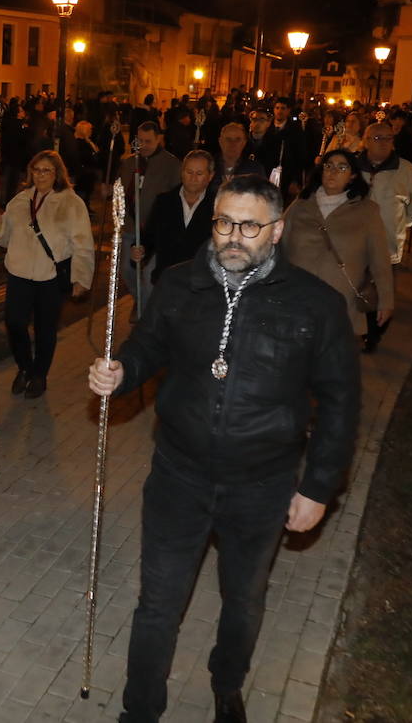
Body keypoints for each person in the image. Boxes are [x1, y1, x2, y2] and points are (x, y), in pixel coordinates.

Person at [88, 174, 359, 723]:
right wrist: (122, 369)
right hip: (178, 475)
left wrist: (317, 487)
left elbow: (340, 403)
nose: (234, 237)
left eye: (249, 226)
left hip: (262, 485)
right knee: (158, 604)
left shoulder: (316, 305)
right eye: (224, 223)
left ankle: (226, 683)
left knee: (244, 601)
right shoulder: (179, 284)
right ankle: (140, 710)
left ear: (277, 230)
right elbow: (149, 345)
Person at [0, 150, 94, 398]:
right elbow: (4, 240)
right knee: (14, 322)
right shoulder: (20, 201)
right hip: (20, 273)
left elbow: (83, 244)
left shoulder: (71, 202)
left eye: (46, 170)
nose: (40, 175)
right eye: (36, 170)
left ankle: (39, 375)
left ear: (57, 173)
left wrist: (81, 277)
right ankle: (25, 367)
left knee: (45, 328)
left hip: (50, 276)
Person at [281, 150, 395, 352]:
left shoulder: (367, 211)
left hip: (340, 302)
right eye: (328, 165)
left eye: (342, 167)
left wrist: (386, 299)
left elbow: (379, 259)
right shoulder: (300, 205)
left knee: (330, 363)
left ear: (352, 176)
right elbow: (277, 244)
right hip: (297, 300)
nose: (333, 171)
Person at [358, 122, 412, 349]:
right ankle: (358, 329)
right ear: (366, 140)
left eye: (388, 138)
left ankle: (375, 333)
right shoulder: (352, 166)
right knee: (355, 288)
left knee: (381, 292)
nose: (384, 142)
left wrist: (398, 225)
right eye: (377, 138)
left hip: (387, 244)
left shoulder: (406, 170)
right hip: (354, 243)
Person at [115, 122, 182, 318]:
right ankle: (140, 300)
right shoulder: (129, 163)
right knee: (127, 270)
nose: (143, 145)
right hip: (130, 227)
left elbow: (175, 196)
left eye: (148, 141)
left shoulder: (171, 164)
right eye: (140, 141)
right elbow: (121, 189)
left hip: (155, 231)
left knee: (147, 275)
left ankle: (147, 314)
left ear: (159, 138)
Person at [133, 150, 215, 286]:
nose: (193, 178)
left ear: (210, 176)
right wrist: (139, 249)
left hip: (201, 283)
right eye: (189, 172)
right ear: (182, 172)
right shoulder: (164, 201)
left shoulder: (218, 206)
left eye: (199, 174)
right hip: (166, 280)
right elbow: (148, 236)